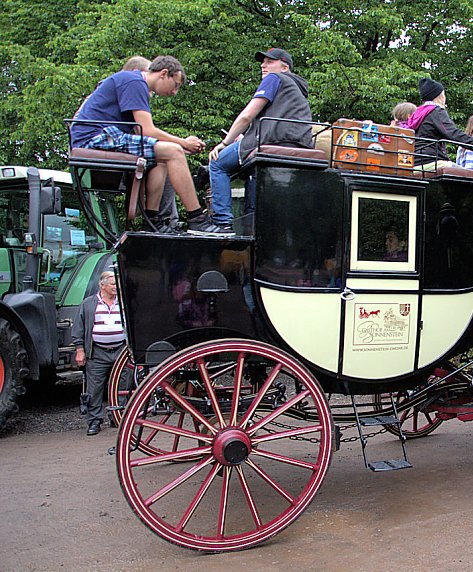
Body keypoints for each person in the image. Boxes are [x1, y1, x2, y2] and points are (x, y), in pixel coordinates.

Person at [70, 55, 223, 235]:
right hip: (94, 139)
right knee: (172, 151)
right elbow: (148, 131)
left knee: (163, 158)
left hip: (106, 135)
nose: (175, 92)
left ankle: (153, 220)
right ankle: (197, 218)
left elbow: (140, 133)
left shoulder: (133, 83)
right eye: (176, 85)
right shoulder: (134, 82)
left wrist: (179, 147)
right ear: (164, 74)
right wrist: (182, 144)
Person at [207, 48, 313, 233]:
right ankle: (253, 219)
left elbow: (247, 116)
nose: (263, 66)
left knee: (217, 164)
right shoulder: (297, 89)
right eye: (263, 62)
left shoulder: (275, 78)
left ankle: (222, 222)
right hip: (297, 143)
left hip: (272, 142)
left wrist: (225, 143)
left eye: (269, 61)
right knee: (249, 167)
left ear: (284, 66)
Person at [72, 271, 126, 436]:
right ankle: (94, 421)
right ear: (102, 285)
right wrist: (80, 350)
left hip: (121, 350)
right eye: (112, 284)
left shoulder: (123, 303)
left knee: (122, 385)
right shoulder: (88, 304)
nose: (116, 287)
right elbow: (78, 329)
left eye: (117, 283)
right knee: (94, 388)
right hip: (98, 352)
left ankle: (118, 416)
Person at [405, 78, 473, 169]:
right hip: (432, 161)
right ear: (439, 96)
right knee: (468, 176)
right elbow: (453, 133)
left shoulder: (417, 114)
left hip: (414, 163)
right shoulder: (436, 111)